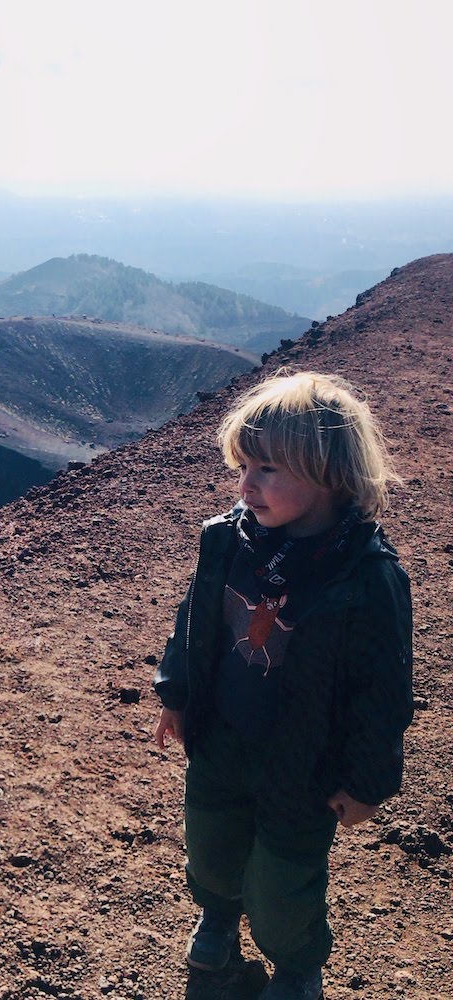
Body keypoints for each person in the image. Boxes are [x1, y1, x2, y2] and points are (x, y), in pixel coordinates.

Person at [152, 370, 413, 1000]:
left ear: (330, 473)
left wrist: (367, 781)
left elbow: (383, 691)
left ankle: (296, 969)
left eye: (267, 469)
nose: (246, 485)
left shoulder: (365, 577)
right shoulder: (229, 541)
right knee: (211, 841)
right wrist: (177, 694)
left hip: (303, 761)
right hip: (222, 737)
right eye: (243, 466)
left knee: (283, 878)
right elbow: (196, 619)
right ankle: (218, 919)